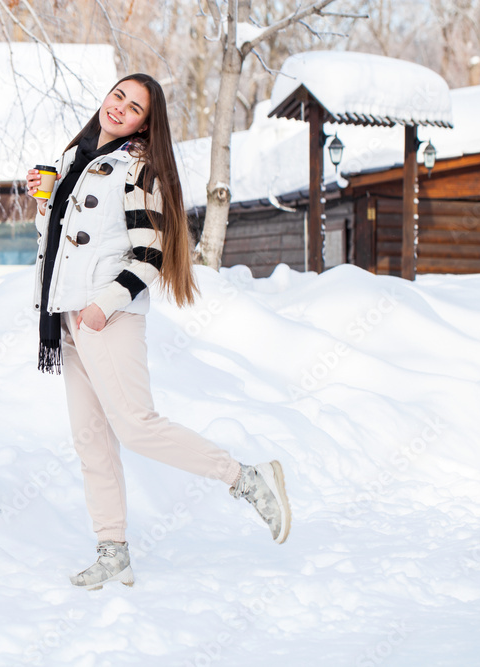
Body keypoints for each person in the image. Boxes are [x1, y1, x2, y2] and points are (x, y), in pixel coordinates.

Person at [25, 73, 291, 591]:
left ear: (147, 123)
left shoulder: (139, 169)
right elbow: (58, 244)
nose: (120, 107)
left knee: (137, 426)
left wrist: (102, 307)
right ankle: (113, 550)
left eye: (135, 106)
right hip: (68, 318)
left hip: (107, 317)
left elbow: (150, 254)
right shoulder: (75, 158)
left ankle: (247, 479)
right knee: (92, 442)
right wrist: (44, 204)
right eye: (118, 95)